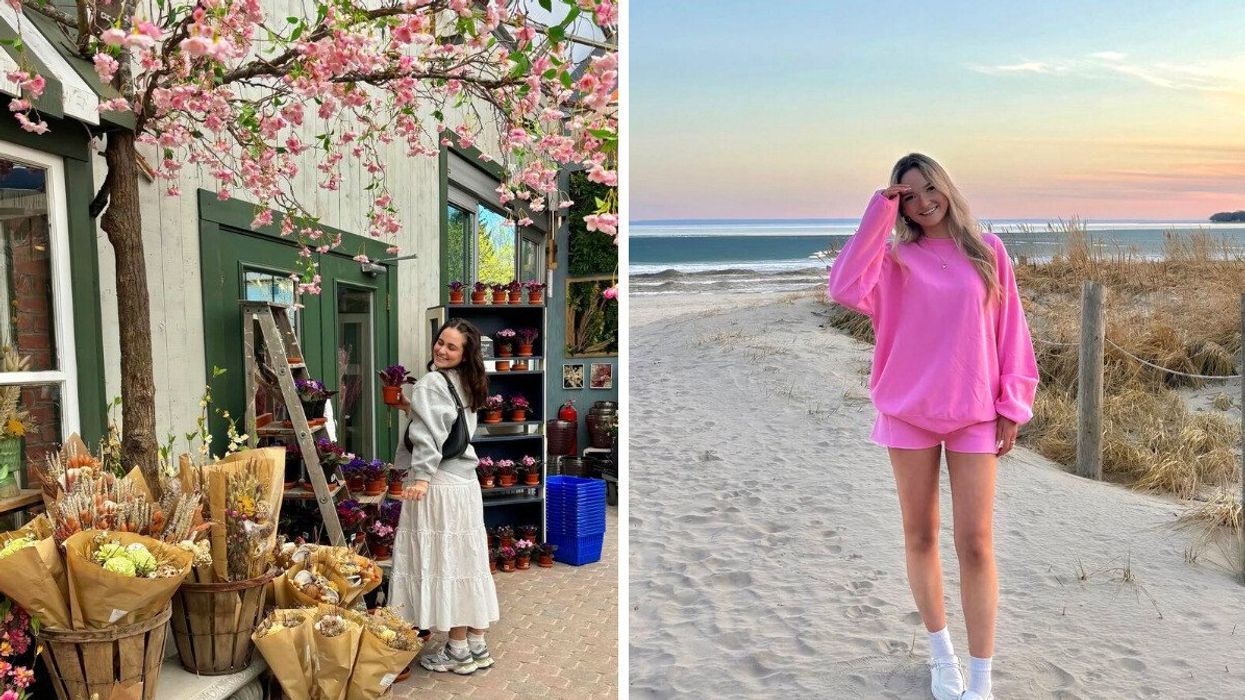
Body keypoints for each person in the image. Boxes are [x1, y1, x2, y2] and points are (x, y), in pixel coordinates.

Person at [827, 153, 1038, 700]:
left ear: (946, 186)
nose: (923, 202)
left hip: (974, 413)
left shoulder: (989, 251)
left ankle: (982, 679)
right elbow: (844, 287)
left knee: (976, 543)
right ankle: (942, 656)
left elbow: (1013, 332)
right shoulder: (894, 260)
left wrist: (1013, 404)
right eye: (907, 195)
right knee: (920, 536)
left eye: (929, 189)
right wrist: (879, 210)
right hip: (907, 413)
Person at [390, 318, 500, 675]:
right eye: (440, 342)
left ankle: (456, 650)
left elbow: (428, 435)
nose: (441, 349)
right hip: (465, 483)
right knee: (468, 560)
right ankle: (476, 644)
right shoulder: (468, 381)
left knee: (446, 562)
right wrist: (410, 407)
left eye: (452, 347)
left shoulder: (431, 382)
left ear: (465, 353)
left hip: (438, 483)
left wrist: (420, 477)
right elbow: (446, 423)